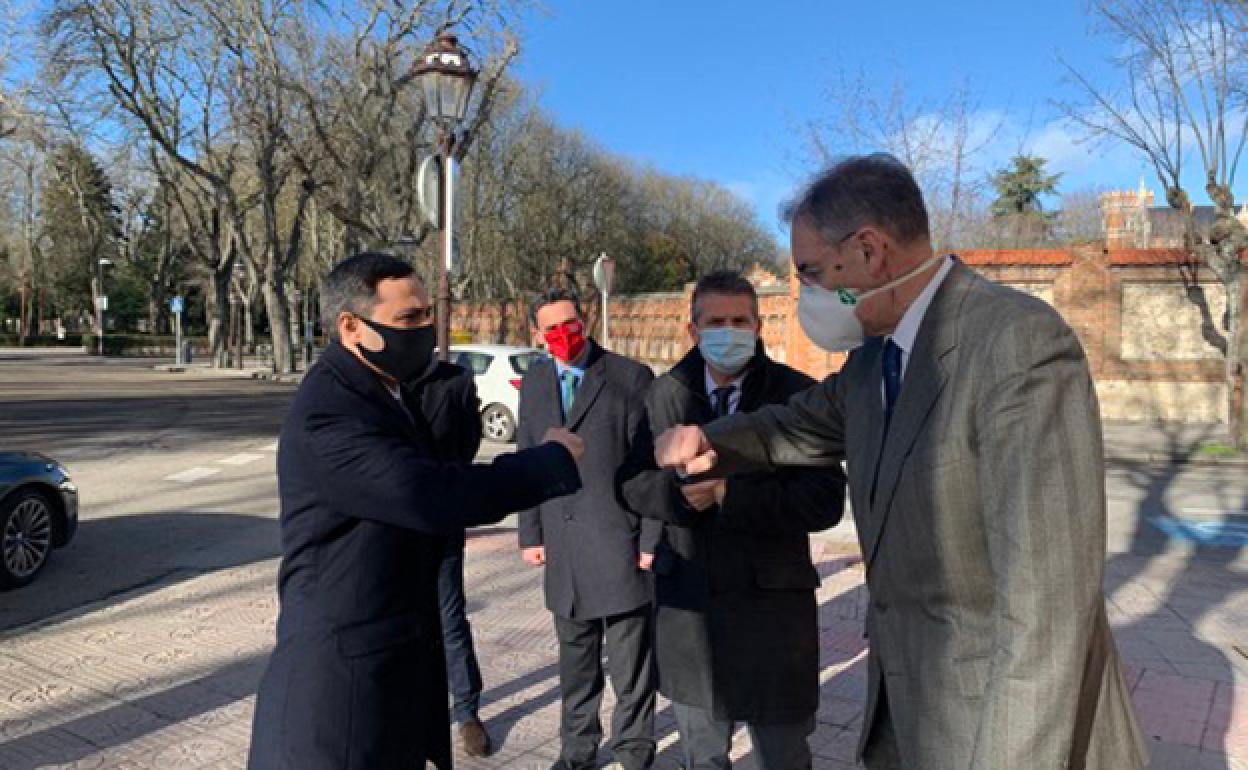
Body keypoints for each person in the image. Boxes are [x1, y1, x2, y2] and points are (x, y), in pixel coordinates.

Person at [653, 154, 1149, 770]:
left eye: (810, 272)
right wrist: (708, 439)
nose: (805, 292)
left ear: (868, 251)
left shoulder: (1012, 343)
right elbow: (792, 424)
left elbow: (1045, 614)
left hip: (996, 731)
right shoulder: (872, 363)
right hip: (906, 716)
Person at [246, 252, 584, 770]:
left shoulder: (386, 390)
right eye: (409, 319)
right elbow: (427, 494)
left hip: (392, 676)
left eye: (428, 314)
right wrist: (549, 461)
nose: (425, 330)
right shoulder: (330, 414)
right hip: (337, 700)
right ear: (351, 326)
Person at [620, 271, 845, 770]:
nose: (729, 331)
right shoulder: (663, 395)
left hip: (772, 612)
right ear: (693, 329)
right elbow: (632, 482)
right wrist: (681, 496)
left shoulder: (798, 394)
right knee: (704, 757)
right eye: (716, 321)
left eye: (740, 320)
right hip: (691, 609)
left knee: (783, 755)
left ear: (759, 326)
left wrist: (728, 495)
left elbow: (824, 500)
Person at [517, 288, 659, 770]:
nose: (563, 335)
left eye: (570, 323)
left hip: (619, 546)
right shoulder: (535, 381)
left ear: (586, 320)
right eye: (551, 328)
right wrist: (530, 533)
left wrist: (650, 540)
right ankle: (577, 751)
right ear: (537, 334)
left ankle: (634, 752)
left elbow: (651, 466)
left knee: (630, 669)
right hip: (564, 550)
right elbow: (527, 462)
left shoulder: (628, 378)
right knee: (576, 667)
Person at [408, 357, 491, 757]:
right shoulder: (371, 379)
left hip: (441, 519)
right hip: (388, 526)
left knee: (449, 618)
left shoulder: (454, 381)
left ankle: (467, 712)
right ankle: (401, 709)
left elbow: (468, 443)